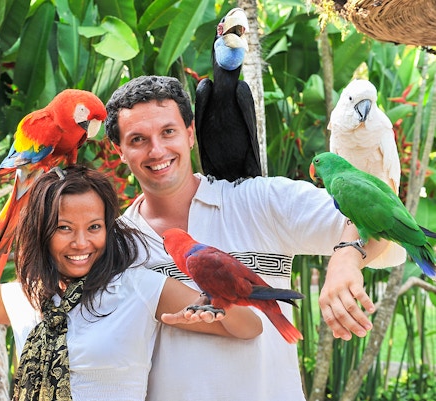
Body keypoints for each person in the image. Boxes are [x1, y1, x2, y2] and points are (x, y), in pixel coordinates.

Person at [0, 165, 262, 400]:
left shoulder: (139, 287)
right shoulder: (26, 296)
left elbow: (250, 328)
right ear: (41, 231)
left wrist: (215, 308)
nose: (81, 243)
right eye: (63, 228)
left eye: (94, 227)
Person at [103, 75, 389, 401]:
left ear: (190, 133)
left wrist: (346, 259)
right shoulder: (113, 246)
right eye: (138, 139)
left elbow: (382, 217)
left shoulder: (261, 201)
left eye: (168, 132)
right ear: (120, 151)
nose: (157, 150)